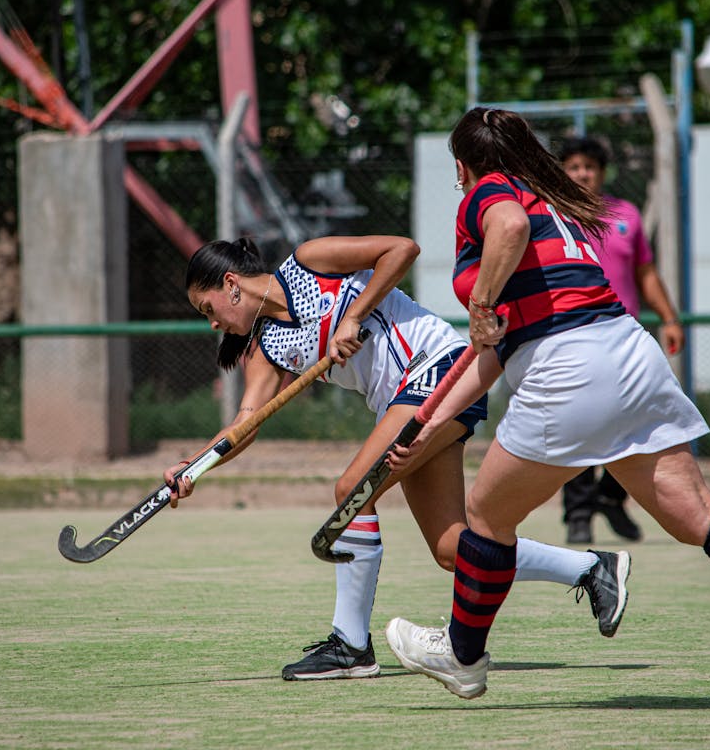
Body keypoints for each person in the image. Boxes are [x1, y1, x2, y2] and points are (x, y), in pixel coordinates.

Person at [383, 107, 710, 699]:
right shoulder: (555, 202)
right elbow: (494, 356)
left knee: (487, 518)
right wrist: (428, 423)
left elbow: (507, 230)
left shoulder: (492, 192)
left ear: (462, 164)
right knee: (695, 514)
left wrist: (481, 302)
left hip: (569, 368)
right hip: (627, 353)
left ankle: (462, 657)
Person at [167, 234, 632, 682]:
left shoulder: (309, 261)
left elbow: (401, 249)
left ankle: (349, 646)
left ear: (231, 285)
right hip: (399, 402)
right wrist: (193, 467)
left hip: (439, 370)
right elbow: (244, 425)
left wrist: (353, 316)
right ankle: (591, 569)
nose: (212, 323)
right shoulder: (266, 349)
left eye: (208, 309)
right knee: (453, 550)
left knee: (352, 490)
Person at [555, 136, 684, 545]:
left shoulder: (626, 214)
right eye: (573, 167)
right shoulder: (553, 215)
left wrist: (669, 318)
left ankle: (611, 497)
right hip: (571, 337)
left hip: (625, 342)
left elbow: (646, 273)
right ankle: (578, 514)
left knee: (638, 422)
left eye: (589, 166)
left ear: (603, 172)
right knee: (578, 427)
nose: (582, 174)